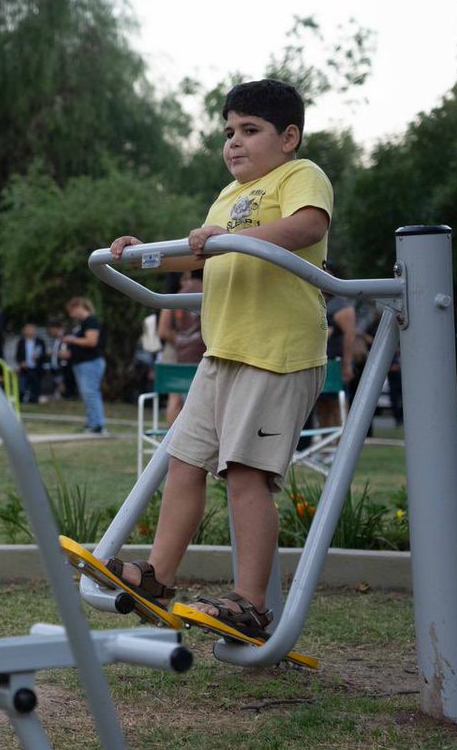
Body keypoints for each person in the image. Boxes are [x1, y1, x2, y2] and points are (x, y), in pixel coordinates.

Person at [103, 79, 332, 640]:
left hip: (275, 353)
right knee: (183, 463)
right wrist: (139, 255)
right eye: (229, 132)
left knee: (245, 475)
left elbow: (309, 226)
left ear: (289, 137)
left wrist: (232, 237)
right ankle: (158, 576)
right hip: (223, 353)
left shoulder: (300, 176)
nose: (234, 143)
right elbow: (193, 254)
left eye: (250, 131)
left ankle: (251, 603)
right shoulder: (226, 198)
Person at [156, 270, 205, 425]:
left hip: (181, 351)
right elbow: (163, 331)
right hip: (182, 351)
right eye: (184, 278)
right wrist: (185, 340)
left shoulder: (176, 297)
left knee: (177, 398)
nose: (187, 281)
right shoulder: (175, 298)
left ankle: (174, 440)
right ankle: (175, 438)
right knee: (178, 398)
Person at [316, 262, 356, 429]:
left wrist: (347, 365)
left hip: (335, 363)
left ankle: (342, 445)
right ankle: (326, 449)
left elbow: (350, 336)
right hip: (319, 362)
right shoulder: (317, 301)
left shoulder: (341, 306)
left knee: (338, 405)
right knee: (322, 407)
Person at [61, 298, 107, 435]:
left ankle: (98, 425)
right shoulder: (82, 324)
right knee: (88, 394)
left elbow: (91, 341)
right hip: (82, 363)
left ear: (80, 307)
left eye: (72, 311)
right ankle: (92, 423)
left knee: (91, 393)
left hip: (90, 363)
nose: (71, 315)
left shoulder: (91, 321)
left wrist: (72, 339)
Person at [15, 322, 48, 404]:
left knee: (36, 385)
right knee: (22, 385)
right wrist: (22, 362)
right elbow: (18, 355)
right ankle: (21, 400)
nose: (30, 331)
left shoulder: (40, 341)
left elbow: (44, 355)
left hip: (36, 367)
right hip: (25, 368)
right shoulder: (21, 342)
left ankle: (34, 400)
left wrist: (38, 358)